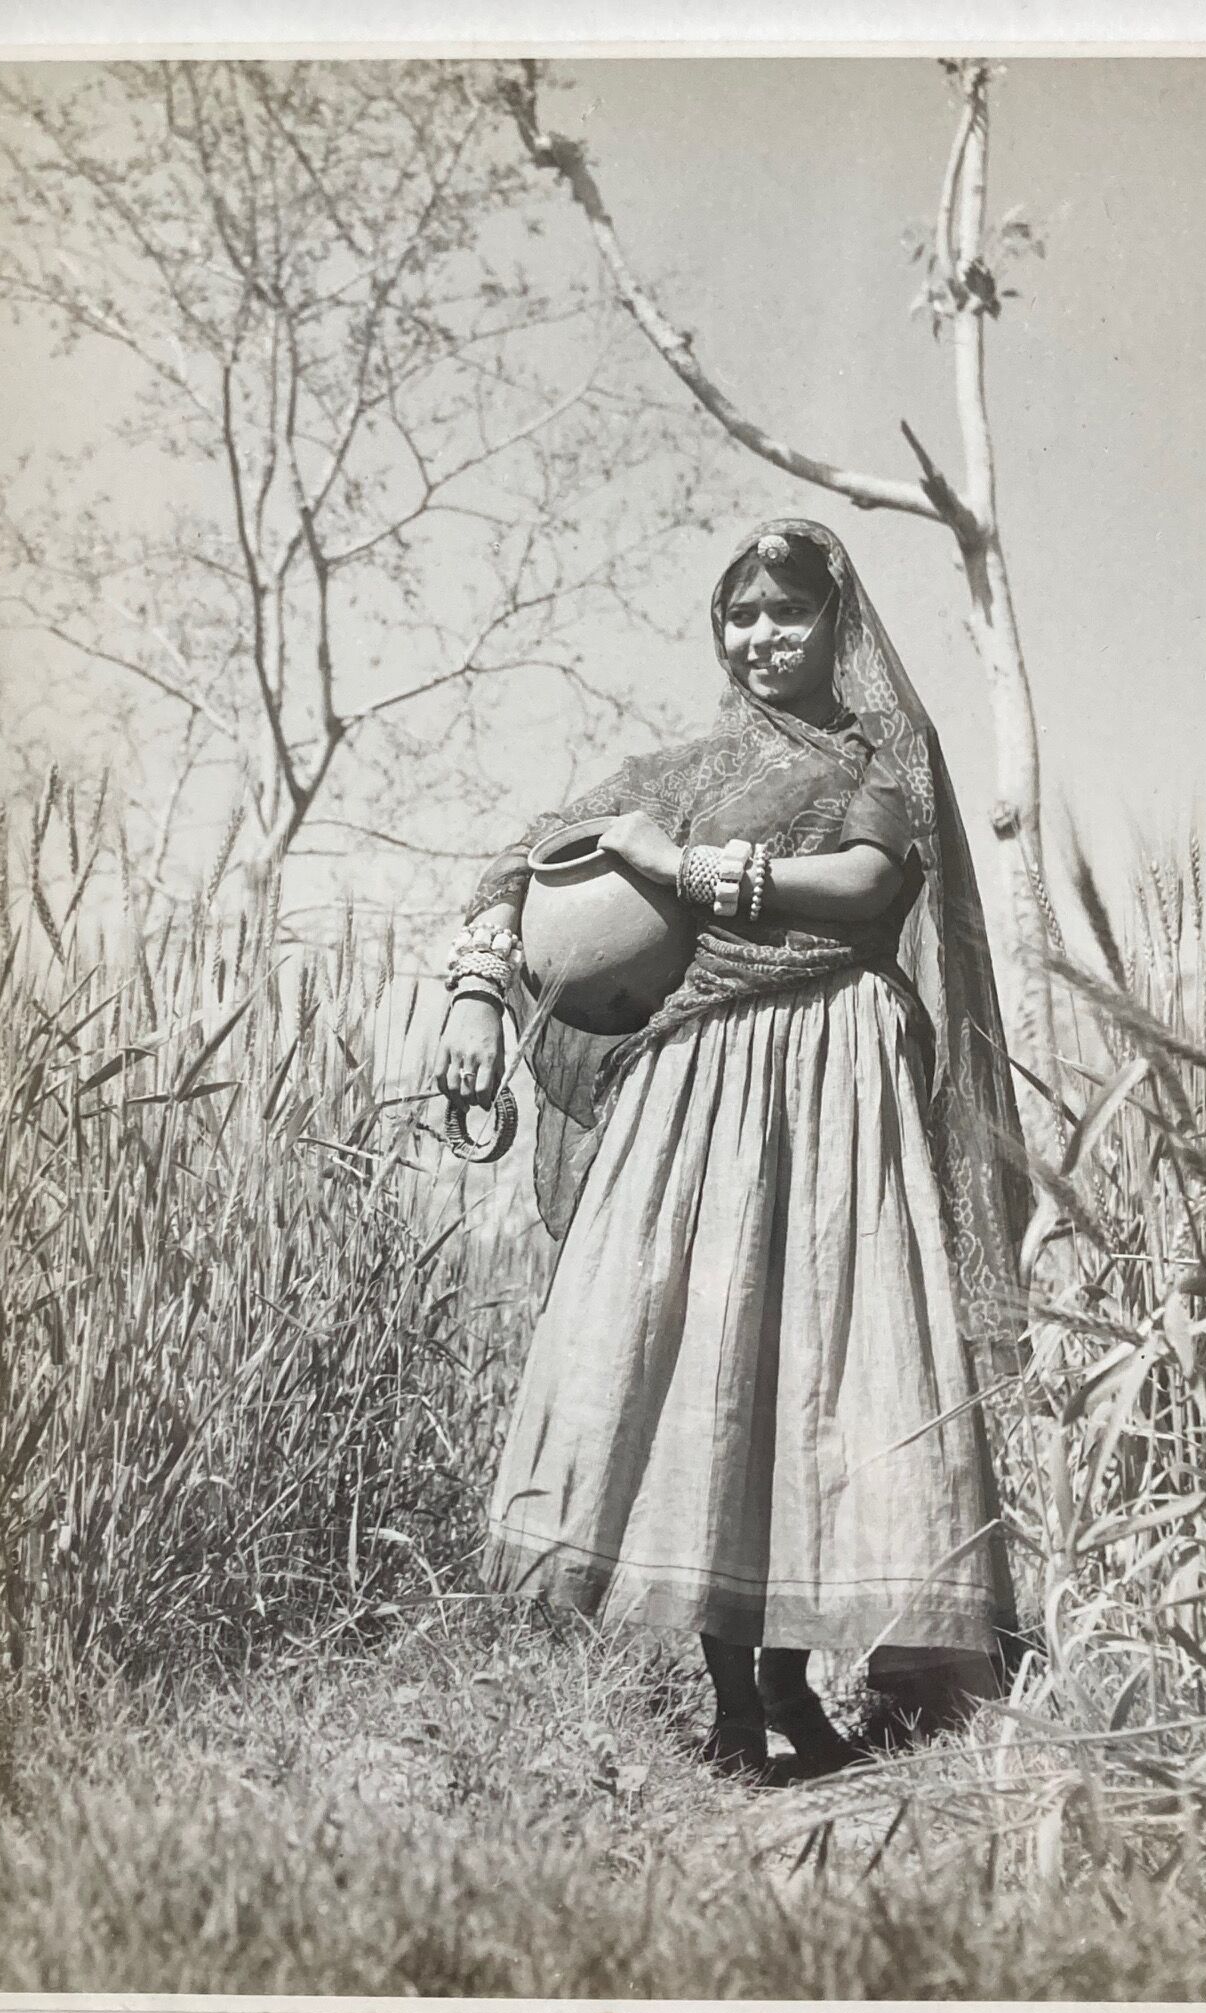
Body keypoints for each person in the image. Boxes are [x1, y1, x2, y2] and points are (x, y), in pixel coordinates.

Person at [435, 519, 1027, 1782]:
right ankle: (732, 1708)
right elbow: (520, 862)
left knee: (813, 1362)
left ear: (836, 626)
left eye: (788, 613)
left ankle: (790, 1684)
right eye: (741, 616)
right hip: (697, 1085)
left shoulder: (880, 757)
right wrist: (477, 996)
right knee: (706, 1364)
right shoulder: (681, 772)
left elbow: (865, 885)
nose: (763, 637)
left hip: (834, 1068)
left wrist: (686, 868)